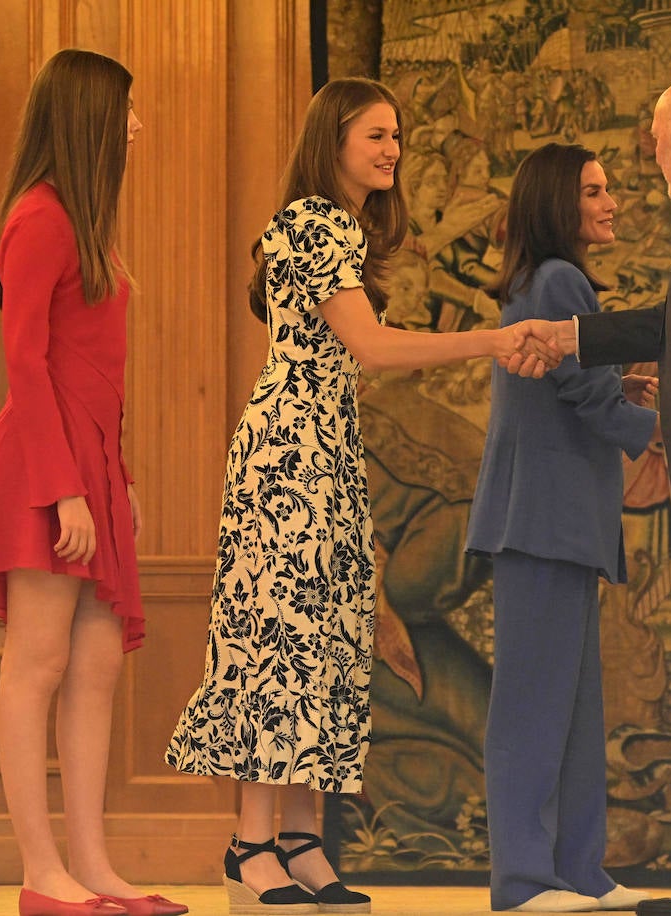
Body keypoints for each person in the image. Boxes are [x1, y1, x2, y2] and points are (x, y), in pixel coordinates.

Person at [164, 77, 538, 915]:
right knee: (278, 636)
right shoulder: (313, 220)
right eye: (376, 134)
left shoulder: (334, 227)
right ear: (332, 138)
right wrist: (494, 340)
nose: (393, 149)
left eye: (397, 136)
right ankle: (250, 846)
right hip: (291, 451)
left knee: (329, 637)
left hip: (323, 447)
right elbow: (369, 345)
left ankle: (302, 842)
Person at [0, 49, 187, 916]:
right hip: (41, 466)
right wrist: (66, 487)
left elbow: (92, 368)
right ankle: (40, 873)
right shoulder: (40, 219)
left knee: (96, 665)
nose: (137, 126)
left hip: (88, 468)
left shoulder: (81, 224)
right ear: (92, 117)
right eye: (128, 111)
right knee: (39, 660)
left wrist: (116, 478)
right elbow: (25, 363)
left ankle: (92, 867)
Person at [513, 70, 671, 916]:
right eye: (595, 188)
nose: (626, 187)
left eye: (648, 140)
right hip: (564, 513)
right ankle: (544, 875)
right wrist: (575, 339)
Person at [466, 143, 658, 913]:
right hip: (542, 521)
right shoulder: (558, 279)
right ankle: (520, 881)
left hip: (559, 523)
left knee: (572, 710)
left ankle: (580, 870)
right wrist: (665, 431)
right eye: (593, 190)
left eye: (608, 189)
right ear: (557, 202)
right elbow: (587, 390)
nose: (610, 202)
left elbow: (583, 382)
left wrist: (631, 392)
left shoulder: (546, 278)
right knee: (532, 708)